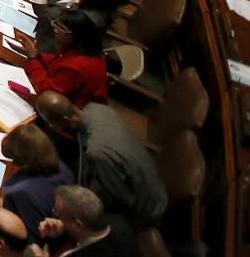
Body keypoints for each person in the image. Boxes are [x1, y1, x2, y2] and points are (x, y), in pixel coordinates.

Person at [32, 92, 166, 228]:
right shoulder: (96, 108)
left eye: (50, 123)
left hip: (146, 210)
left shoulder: (98, 154)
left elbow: (119, 201)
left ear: (64, 120)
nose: (51, 127)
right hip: (145, 177)